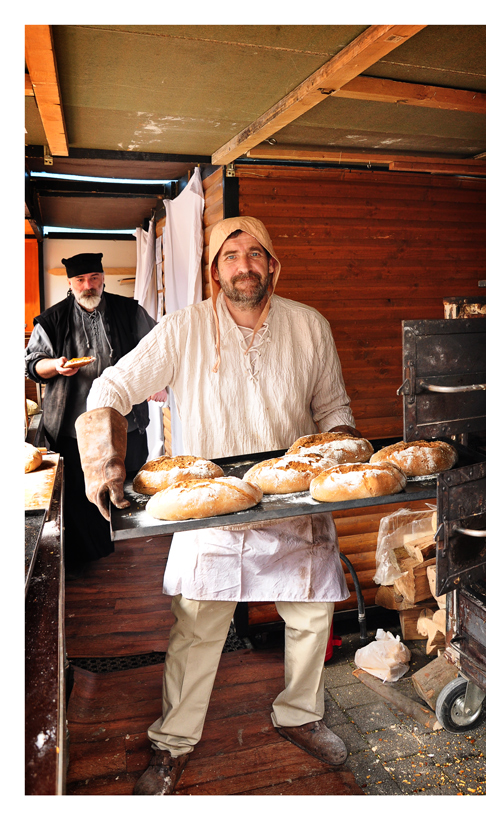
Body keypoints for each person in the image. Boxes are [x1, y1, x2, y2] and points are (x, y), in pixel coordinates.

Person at [76, 217, 364, 795]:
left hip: (292, 498)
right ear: (214, 269)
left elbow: (334, 410)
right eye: (231, 254)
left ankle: (300, 716)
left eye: (256, 253)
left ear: (273, 264)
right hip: (211, 504)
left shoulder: (310, 327)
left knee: (310, 618)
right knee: (198, 628)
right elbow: (110, 388)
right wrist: (105, 463)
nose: (244, 265)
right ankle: (173, 742)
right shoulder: (182, 330)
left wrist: (340, 456)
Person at [25, 252, 164, 571]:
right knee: (77, 492)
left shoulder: (128, 311)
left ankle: (126, 546)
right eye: (80, 281)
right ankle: (89, 556)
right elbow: (32, 363)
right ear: (70, 284)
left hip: (124, 422)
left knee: (127, 481)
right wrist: (55, 366)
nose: (88, 286)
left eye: (94, 278)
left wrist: (157, 381)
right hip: (72, 426)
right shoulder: (52, 318)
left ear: (102, 278)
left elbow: (156, 348)